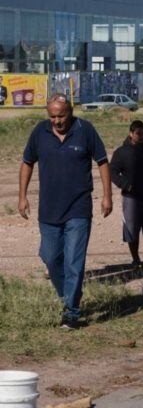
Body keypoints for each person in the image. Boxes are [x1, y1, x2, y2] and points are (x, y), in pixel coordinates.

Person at [18, 93, 112, 330]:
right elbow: (27, 162)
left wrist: (107, 196)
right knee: (49, 257)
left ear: (70, 112)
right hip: (49, 209)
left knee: (73, 262)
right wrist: (22, 196)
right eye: (52, 117)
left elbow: (102, 161)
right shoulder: (40, 132)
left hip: (79, 208)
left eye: (61, 116)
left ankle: (71, 312)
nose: (57, 121)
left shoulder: (85, 129)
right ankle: (69, 296)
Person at [110, 120, 143, 267]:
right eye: (138, 133)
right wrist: (125, 185)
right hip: (131, 198)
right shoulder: (121, 152)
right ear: (131, 133)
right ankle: (136, 260)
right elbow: (113, 171)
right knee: (131, 230)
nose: (141, 136)